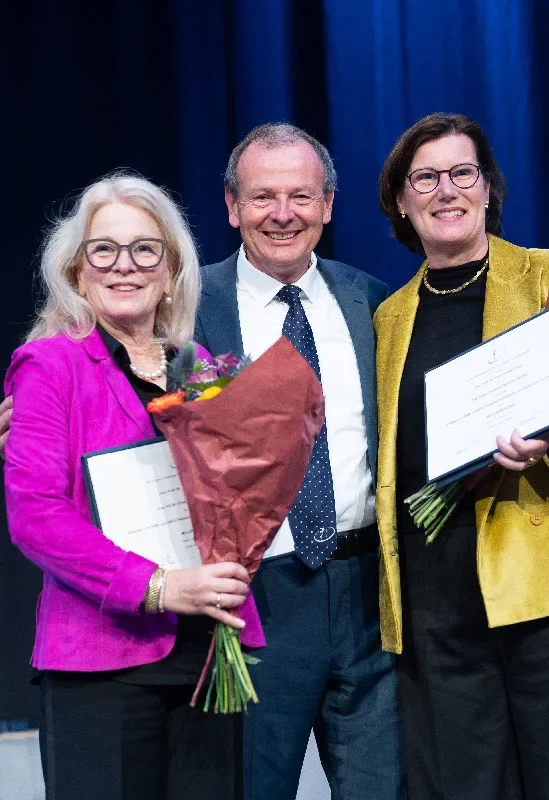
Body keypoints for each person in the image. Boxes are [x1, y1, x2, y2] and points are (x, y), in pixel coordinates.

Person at [373, 112, 549, 800]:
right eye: (425, 179)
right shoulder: (388, 317)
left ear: (489, 188)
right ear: (402, 202)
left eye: (462, 173)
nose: (446, 191)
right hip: (440, 610)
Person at [2, 172, 264, 800]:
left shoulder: (199, 366)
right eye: (104, 250)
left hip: (208, 655)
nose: (125, 265)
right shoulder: (51, 364)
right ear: (77, 270)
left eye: (145, 249)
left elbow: (241, 496)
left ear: (171, 269)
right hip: (104, 663)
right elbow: (36, 515)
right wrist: (156, 586)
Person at [193, 123, 403, 799]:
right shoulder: (185, 310)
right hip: (255, 602)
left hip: (372, 596)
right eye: (262, 197)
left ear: (329, 205)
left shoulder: (375, 303)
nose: (283, 214)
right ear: (231, 206)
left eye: (301, 196)